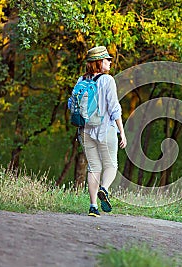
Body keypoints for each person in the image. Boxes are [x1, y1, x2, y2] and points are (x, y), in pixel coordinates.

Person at [77, 46, 127, 217]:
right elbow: (114, 108)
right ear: (99, 63)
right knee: (112, 165)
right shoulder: (108, 80)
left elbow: (72, 104)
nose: (110, 62)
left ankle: (93, 207)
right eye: (107, 60)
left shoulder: (81, 81)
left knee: (93, 167)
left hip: (86, 131)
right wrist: (122, 132)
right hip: (106, 129)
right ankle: (104, 189)